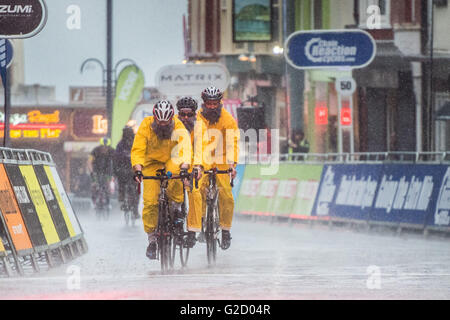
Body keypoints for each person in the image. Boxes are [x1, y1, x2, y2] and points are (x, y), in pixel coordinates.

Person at [131, 100, 192, 260]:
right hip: (151, 163)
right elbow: (138, 149)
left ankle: (176, 208)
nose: (163, 125)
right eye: (160, 122)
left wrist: (185, 166)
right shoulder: (145, 125)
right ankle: (152, 240)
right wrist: (138, 169)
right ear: (154, 118)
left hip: (172, 159)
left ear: (172, 118)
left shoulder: (178, 125)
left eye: (167, 122)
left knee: (176, 175)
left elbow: (185, 147)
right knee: (150, 202)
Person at [198, 86, 240, 250]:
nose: (212, 107)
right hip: (203, 158)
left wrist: (231, 165)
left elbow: (232, 144)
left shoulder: (228, 119)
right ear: (204, 103)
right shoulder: (197, 118)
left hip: (222, 159)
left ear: (219, 103)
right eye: (209, 103)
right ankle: (201, 220)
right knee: (199, 188)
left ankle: (225, 230)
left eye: (215, 103)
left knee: (226, 196)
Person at [175, 96, 209, 249]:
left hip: (195, 163)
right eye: (183, 114)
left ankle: (192, 231)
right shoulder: (172, 125)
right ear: (178, 114)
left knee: (195, 192)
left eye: (189, 114)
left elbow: (201, 149)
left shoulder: (200, 127)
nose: (186, 118)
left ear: (195, 114)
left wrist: (197, 167)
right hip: (176, 162)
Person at [114, 125, 140, 218]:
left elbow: (140, 153)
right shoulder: (121, 144)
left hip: (134, 168)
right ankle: (122, 195)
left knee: (137, 189)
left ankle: (136, 210)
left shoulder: (136, 142)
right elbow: (117, 156)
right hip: (123, 168)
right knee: (121, 179)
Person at [88, 137, 115, 209]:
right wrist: (91, 172)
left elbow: (116, 162)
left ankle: (108, 202)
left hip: (108, 171)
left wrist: (115, 172)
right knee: (94, 185)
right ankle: (93, 201)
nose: (104, 149)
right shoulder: (95, 151)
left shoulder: (112, 151)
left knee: (108, 185)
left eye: (106, 147)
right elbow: (89, 162)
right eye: (102, 147)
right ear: (100, 146)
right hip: (96, 170)